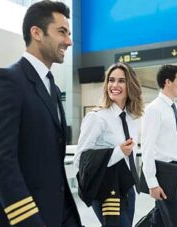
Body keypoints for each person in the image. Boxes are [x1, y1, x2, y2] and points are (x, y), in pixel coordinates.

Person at [0, 1, 82, 226]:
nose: (69, 41)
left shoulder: (53, 88)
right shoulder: (7, 80)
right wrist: (29, 220)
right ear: (36, 33)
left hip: (57, 213)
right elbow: (1, 160)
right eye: (62, 32)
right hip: (25, 217)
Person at [74, 62, 144, 226]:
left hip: (127, 189)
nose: (114, 85)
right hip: (106, 190)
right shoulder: (97, 117)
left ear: (130, 85)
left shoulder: (131, 118)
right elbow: (80, 159)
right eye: (111, 80)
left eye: (121, 81)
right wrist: (118, 152)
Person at [141, 64, 177, 227]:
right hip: (165, 174)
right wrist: (152, 183)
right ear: (168, 82)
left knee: (159, 222)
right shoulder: (154, 109)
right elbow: (146, 148)